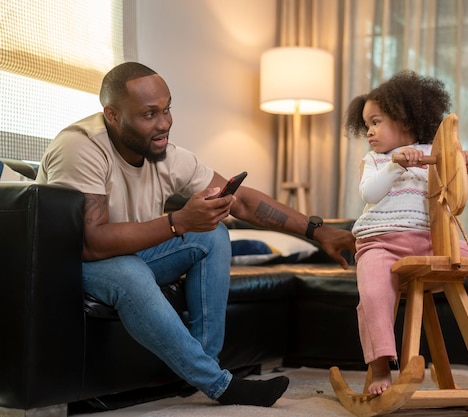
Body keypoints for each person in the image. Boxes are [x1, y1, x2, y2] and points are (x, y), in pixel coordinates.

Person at [36, 62, 356, 407]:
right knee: (130, 274)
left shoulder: (165, 155)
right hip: (69, 262)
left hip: (125, 254)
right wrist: (177, 223)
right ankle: (220, 384)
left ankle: (201, 368)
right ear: (112, 115)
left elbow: (242, 203)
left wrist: (316, 230)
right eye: (149, 114)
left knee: (213, 233)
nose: (164, 123)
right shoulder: (81, 148)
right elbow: (92, 243)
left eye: (167, 109)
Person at [344, 71, 468, 395]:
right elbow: (369, 194)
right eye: (367, 124)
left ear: (406, 121)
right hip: (381, 242)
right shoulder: (375, 159)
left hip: (431, 242)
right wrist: (395, 165)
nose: (369, 131)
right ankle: (380, 367)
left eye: (377, 121)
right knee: (372, 290)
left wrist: (463, 168)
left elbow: (453, 197)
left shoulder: (435, 151)